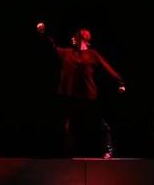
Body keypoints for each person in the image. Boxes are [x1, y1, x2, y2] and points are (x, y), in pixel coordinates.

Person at [36, 22, 125, 158]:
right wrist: (43, 34)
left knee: (99, 123)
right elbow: (52, 47)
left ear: (82, 38)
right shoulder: (67, 53)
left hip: (89, 95)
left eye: (75, 36)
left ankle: (108, 150)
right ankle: (67, 153)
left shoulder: (92, 54)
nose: (72, 38)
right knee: (68, 124)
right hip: (71, 95)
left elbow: (107, 68)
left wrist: (120, 82)